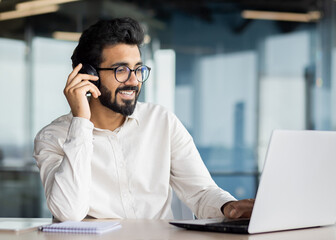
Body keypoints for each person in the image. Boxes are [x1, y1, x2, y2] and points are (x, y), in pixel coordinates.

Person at [33, 17, 254, 222]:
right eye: (121, 70)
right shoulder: (53, 138)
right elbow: (68, 213)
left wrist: (229, 207)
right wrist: (81, 122)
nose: (133, 81)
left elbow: (200, 192)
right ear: (89, 75)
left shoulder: (162, 121)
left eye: (138, 69)